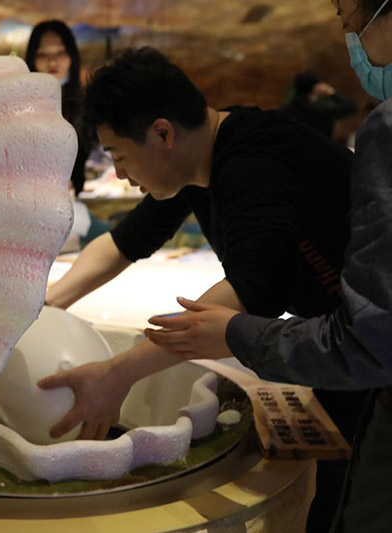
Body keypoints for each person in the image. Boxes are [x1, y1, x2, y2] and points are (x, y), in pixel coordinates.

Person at [38, 47, 364, 531]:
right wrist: (47, 305)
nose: (122, 176)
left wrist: (117, 374)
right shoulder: (199, 160)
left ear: (163, 133)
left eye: (121, 157)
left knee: (348, 506)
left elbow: (250, 295)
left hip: (371, 346)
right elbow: (125, 243)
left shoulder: (254, 162)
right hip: (344, 341)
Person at [144, 1, 392, 530]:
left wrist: (238, 335)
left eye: (351, 23)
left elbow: (368, 339)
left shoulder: (381, 134)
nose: (352, 39)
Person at [25, 20, 90, 198]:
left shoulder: (88, 104)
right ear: (32, 58)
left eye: (60, 52)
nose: (52, 61)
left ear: (72, 55)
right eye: (42, 54)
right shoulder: (22, 108)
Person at [280, 71, 357, 139]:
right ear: (315, 88)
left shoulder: (284, 111)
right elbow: (350, 107)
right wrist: (332, 93)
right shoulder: (320, 110)